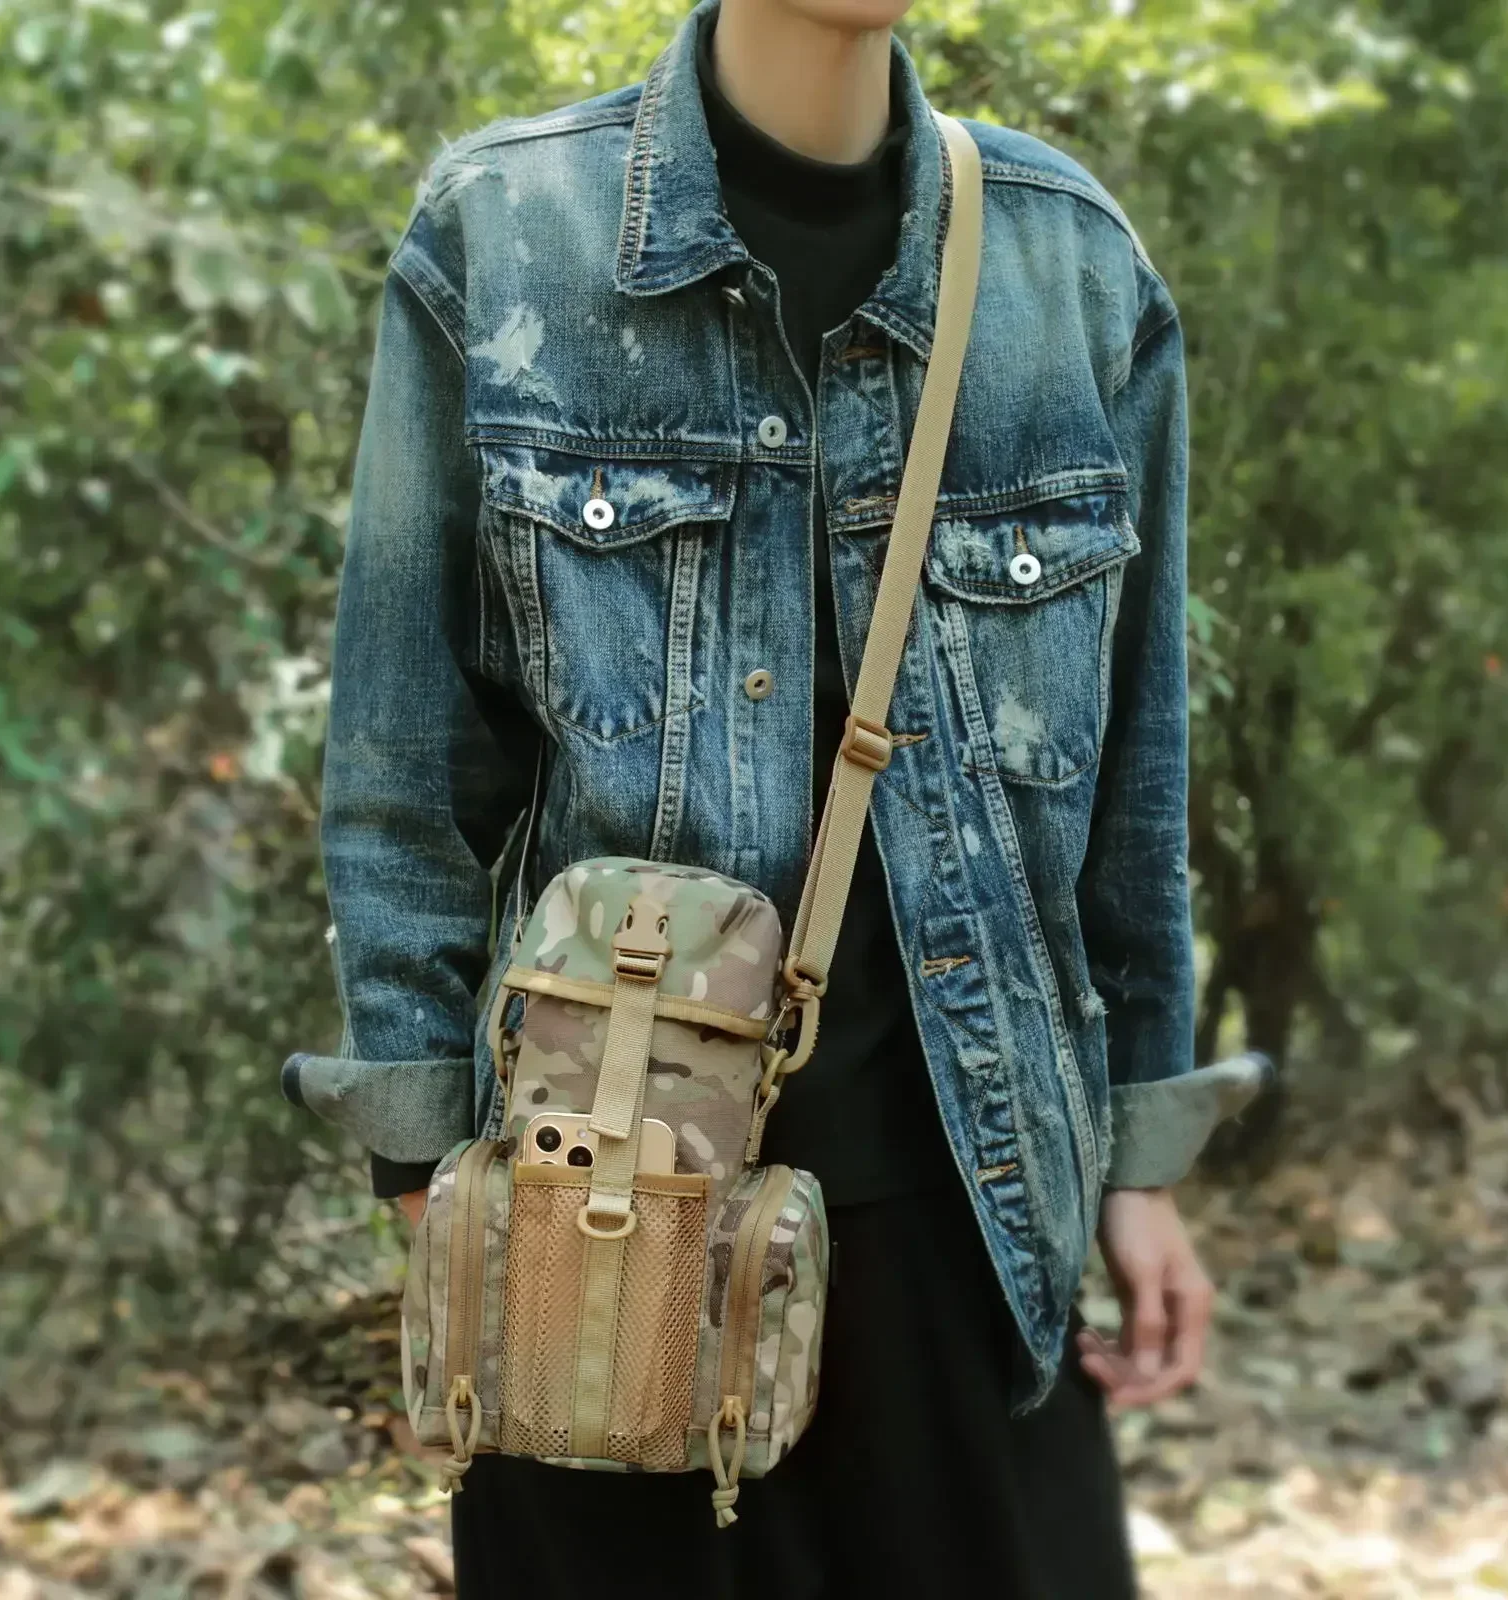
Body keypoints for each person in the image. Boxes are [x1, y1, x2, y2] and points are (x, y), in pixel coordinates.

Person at [284, 0, 1241, 1592]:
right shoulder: (508, 231)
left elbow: (1135, 773)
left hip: (975, 1238)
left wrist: (1141, 1158)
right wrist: (427, 1175)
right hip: (602, 1232)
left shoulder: (1068, 266)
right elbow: (401, 762)